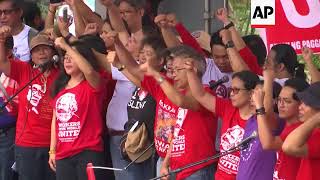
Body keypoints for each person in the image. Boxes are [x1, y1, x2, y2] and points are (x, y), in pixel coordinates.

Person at [0, 26, 57, 180]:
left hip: (53, 144)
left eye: (46, 48)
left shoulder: (63, 75)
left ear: (53, 53)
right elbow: (3, 62)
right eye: (36, 50)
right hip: (26, 144)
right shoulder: (24, 70)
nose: (41, 52)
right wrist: (1, 40)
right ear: (31, 55)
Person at [48, 36, 106, 180]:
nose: (67, 60)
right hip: (63, 154)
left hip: (87, 151)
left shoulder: (92, 84)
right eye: (65, 57)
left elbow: (90, 71)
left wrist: (66, 46)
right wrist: (52, 150)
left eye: (72, 57)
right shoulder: (60, 88)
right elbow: (55, 120)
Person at [282, 82, 320, 180]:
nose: (300, 107)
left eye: (307, 104)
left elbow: (288, 147)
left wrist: (316, 118)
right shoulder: (312, 130)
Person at [0, 35, 18, 180]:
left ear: (9, 51)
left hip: (7, 135)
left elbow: (17, 109)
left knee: (6, 174)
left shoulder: (16, 72)